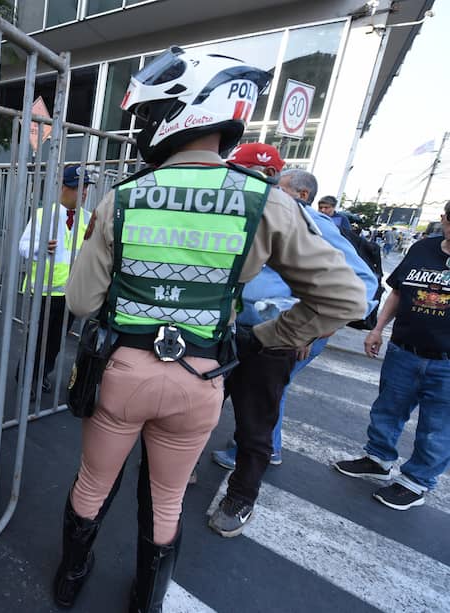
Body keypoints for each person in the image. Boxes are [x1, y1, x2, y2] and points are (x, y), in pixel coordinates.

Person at [50, 46, 368, 612]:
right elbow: (345, 296)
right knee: (168, 499)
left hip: (123, 371)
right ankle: (147, 599)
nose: (144, 128)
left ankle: (70, 578)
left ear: (182, 115)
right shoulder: (264, 201)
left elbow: (80, 302)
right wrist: (265, 339)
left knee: (93, 485)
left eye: (147, 118)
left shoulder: (122, 197)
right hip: (202, 375)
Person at [208, 167, 379, 537]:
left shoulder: (315, 223)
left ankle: (240, 498)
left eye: (276, 187)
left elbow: (360, 289)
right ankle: (179, 467)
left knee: (256, 428)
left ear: (299, 195)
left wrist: (309, 331)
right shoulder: (240, 210)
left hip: (272, 340)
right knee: (194, 409)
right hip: (223, 331)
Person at [334, 200, 450, 510]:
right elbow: (398, 292)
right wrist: (377, 330)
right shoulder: (423, 248)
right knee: (388, 408)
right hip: (404, 351)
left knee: (437, 427)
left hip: (446, 363)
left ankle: (416, 482)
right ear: (444, 219)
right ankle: (378, 458)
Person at [17, 164, 93, 398]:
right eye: (76, 188)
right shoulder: (43, 215)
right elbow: (23, 246)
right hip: (45, 291)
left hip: (72, 293)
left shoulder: (89, 219)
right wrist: (41, 248)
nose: (82, 193)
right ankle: (27, 377)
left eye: (85, 188)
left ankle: (42, 374)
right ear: (63, 188)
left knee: (56, 340)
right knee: (38, 338)